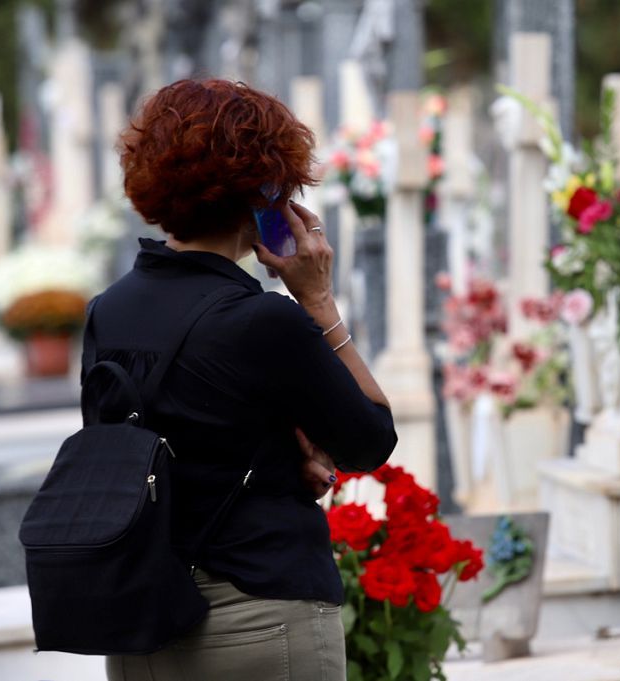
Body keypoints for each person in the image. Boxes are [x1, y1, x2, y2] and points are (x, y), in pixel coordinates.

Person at [96, 78, 397, 680]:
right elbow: (370, 439)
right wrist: (319, 302)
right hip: (257, 616)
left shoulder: (111, 309)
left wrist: (280, 455)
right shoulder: (263, 318)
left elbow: (143, 451)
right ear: (263, 190)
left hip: (141, 624)